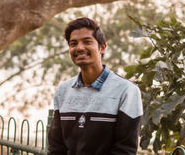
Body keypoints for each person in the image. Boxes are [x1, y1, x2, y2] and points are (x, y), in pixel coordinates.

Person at [48, 17, 143, 155]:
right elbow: (56, 148)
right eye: (73, 44)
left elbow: (125, 150)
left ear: (102, 47)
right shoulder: (63, 90)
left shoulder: (126, 91)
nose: (79, 48)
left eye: (87, 42)